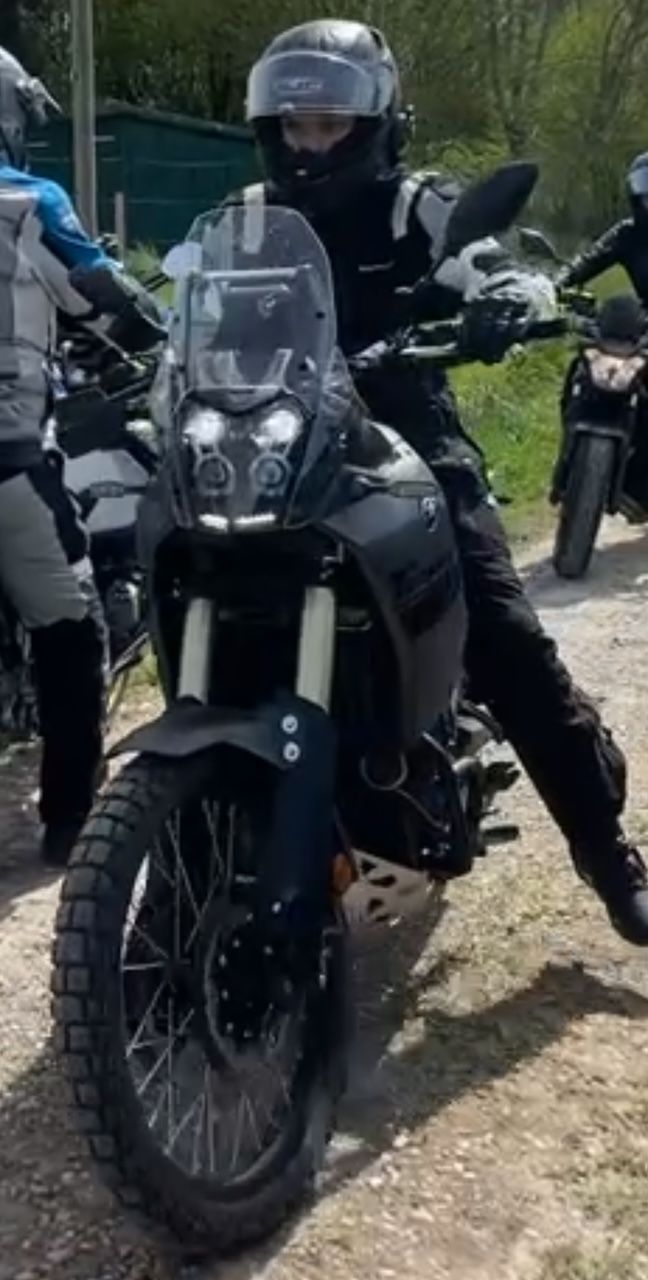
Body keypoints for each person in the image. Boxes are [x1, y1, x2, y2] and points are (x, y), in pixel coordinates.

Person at [232, 18, 648, 942]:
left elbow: (488, 260)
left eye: (329, 126)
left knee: (500, 634)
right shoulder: (249, 216)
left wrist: (507, 296)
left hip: (403, 448)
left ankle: (605, 850)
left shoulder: (414, 205)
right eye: (295, 126)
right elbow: (193, 310)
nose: (309, 145)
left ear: (375, 125)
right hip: (277, 452)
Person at [0, 46, 164, 866]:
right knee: (71, 626)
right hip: (8, 462)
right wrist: (158, 333)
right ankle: (68, 818)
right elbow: (106, 300)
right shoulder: (26, 202)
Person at [559, 152, 648, 303]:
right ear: (637, 199)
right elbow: (588, 261)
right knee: (619, 306)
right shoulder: (628, 234)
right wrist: (554, 285)